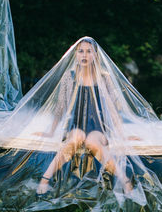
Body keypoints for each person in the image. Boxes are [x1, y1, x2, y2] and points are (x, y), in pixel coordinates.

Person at [34, 37, 135, 195]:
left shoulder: (104, 77)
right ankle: (45, 179)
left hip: (98, 127)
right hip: (76, 125)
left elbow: (113, 109)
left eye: (89, 51)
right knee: (76, 139)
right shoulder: (69, 76)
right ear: (75, 54)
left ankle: (125, 181)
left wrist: (123, 135)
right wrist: (51, 132)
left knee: (92, 142)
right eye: (81, 51)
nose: (85, 55)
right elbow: (60, 107)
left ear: (95, 55)